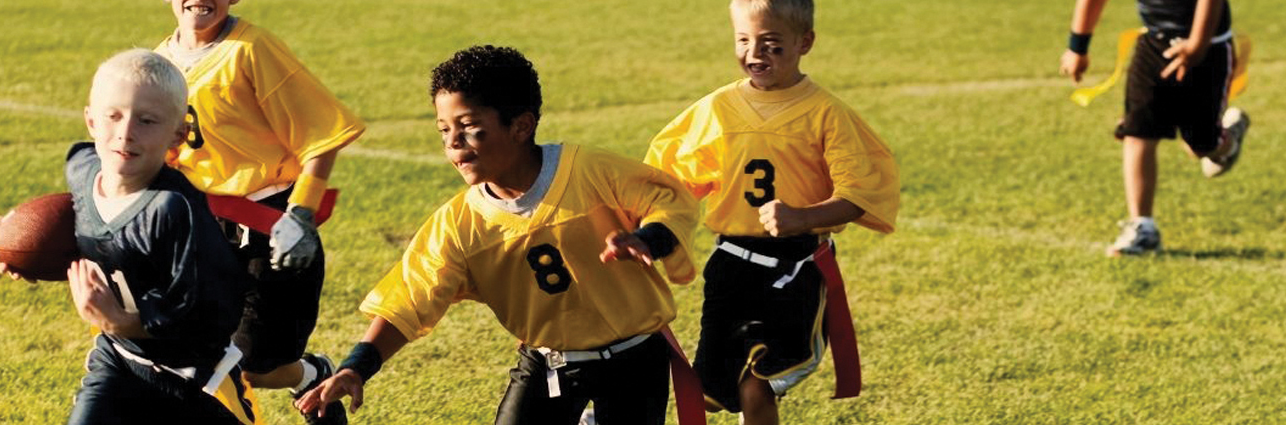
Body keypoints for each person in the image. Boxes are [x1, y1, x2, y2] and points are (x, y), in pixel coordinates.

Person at [294, 45, 703, 425]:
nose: (454, 142)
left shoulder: (591, 172)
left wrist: (649, 239)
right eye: (443, 130)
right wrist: (355, 367)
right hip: (547, 362)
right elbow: (410, 298)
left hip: (634, 358)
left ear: (521, 126)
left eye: (470, 127)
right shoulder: (459, 224)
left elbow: (668, 199)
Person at [642, 1, 901, 424]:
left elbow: (861, 193)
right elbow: (670, 183)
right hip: (729, 267)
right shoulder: (719, 108)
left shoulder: (826, 114)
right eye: (743, 40)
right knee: (712, 388)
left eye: (771, 44)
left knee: (757, 380)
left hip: (795, 267)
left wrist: (803, 216)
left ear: (805, 43)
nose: (755, 53)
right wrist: (643, 231)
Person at [151, 1, 367, 422]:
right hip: (201, 223)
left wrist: (301, 213)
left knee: (251, 364)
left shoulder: (252, 49)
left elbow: (320, 135)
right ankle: (306, 376)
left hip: (269, 221)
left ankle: (311, 373)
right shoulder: (159, 64)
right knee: (194, 354)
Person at [59, 49, 254, 425]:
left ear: (178, 134)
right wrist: (26, 255)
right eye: (112, 116)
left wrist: (124, 321)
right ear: (91, 122)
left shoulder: (175, 211)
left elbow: (213, 316)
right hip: (119, 359)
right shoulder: (81, 168)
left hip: (194, 376)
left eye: (146, 121)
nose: (125, 132)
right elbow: (87, 227)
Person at [1060, 0, 1252, 256]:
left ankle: (1228, 141)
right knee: (1138, 131)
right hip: (1154, 44)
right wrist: (1077, 47)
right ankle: (1143, 228)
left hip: (1209, 49)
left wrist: (1196, 45)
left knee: (1200, 143)